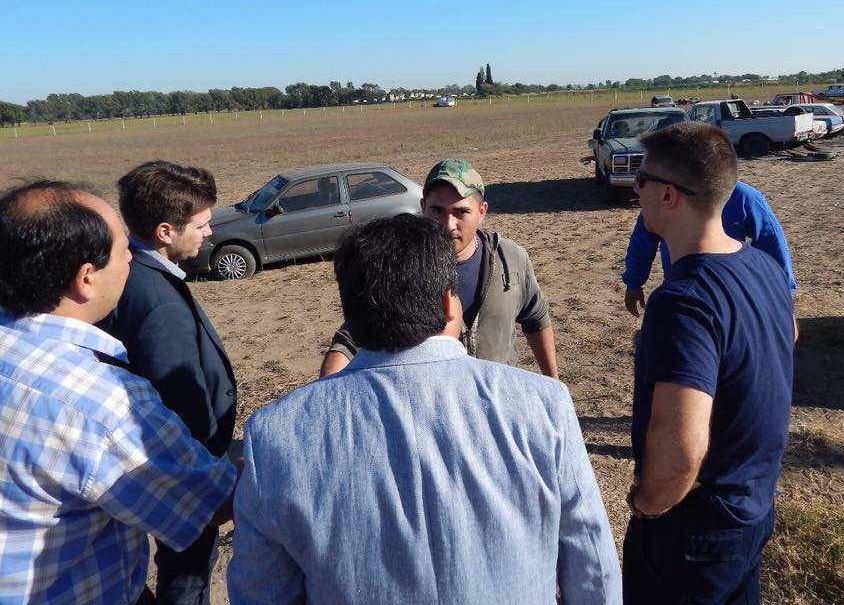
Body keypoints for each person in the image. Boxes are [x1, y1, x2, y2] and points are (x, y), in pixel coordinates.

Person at [227, 214, 621, 604]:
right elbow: (594, 570)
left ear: (351, 318)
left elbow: (259, 592)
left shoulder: (275, 435)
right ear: (451, 304)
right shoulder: (542, 405)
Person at [0, 181, 236, 605]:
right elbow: (206, 502)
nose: (132, 258)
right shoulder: (99, 402)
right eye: (124, 250)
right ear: (86, 278)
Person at [622, 124, 795, 603]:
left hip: (696, 533)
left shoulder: (683, 301)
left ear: (668, 195)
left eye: (642, 179)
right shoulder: (763, 267)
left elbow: (680, 450)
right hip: (752, 507)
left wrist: (648, 506)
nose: (636, 190)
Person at [99, 160, 237, 605]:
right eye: (201, 225)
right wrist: (206, 474)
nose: (209, 232)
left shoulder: (130, 273)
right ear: (164, 231)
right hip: (185, 466)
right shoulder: (156, 298)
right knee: (188, 570)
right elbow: (179, 395)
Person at [320, 157, 558, 378]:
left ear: (482, 211)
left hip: (498, 398)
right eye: (437, 211)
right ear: (423, 207)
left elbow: (536, 318)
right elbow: (350, 339)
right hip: (436, 402)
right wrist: (329, 391)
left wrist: (554, 382)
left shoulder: (511, 257)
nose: (448, 224)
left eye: (461, 212)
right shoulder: (402, 261)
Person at [622, 179, 796, 316]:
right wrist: (634, 282)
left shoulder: (743, 197)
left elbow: (772, 244)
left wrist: (782, 296)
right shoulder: (666, 197)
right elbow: (642, 242)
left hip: (733, 298)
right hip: (683, 296)